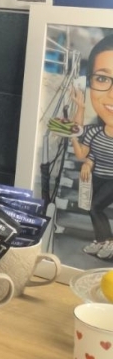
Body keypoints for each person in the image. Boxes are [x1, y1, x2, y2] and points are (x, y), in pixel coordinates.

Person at [71, 35, 113, 259]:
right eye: (102, 79)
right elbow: (81, 153)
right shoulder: (95, 133)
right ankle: (100, 240)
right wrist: (79, 108)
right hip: (97, 177)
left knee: (96, 206)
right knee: (91, 207)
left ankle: (108, 242)